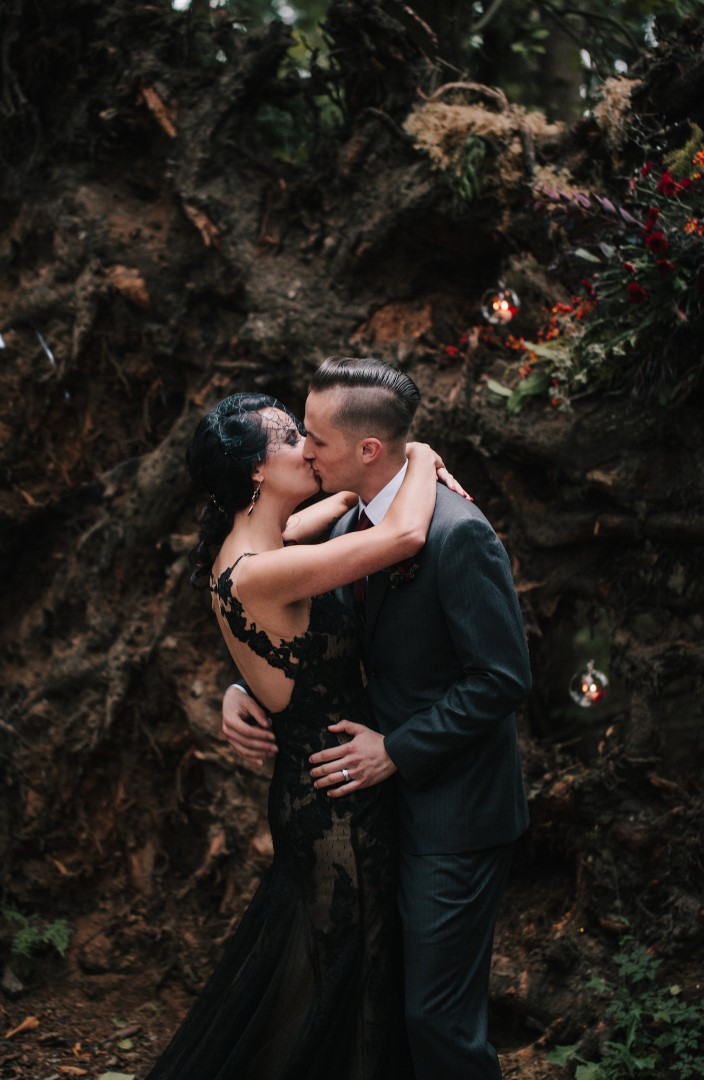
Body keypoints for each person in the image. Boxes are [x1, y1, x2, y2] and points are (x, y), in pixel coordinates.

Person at [223, 357, 532, 1080]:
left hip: (455, 811)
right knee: (380, 1008)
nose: (303, 449)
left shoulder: (457, 532)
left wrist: (398, 748)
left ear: (368, 450)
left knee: (438, 1019)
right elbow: (287, 622)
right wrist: (244, 688)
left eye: (316, 439)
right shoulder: (348, 525)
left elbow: (503, 676)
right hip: (374, 815)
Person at [146, 388, 452, 1080]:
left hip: (323, 785)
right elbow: (400, 538)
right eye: (290, 438)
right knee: (351, 987)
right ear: (257, 471)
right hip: (337, 800)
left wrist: (240, 688)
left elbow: (323, 526)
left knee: (334, 979)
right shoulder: (261, 568)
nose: (308, 447)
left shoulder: (263, 545)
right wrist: (421, 455)